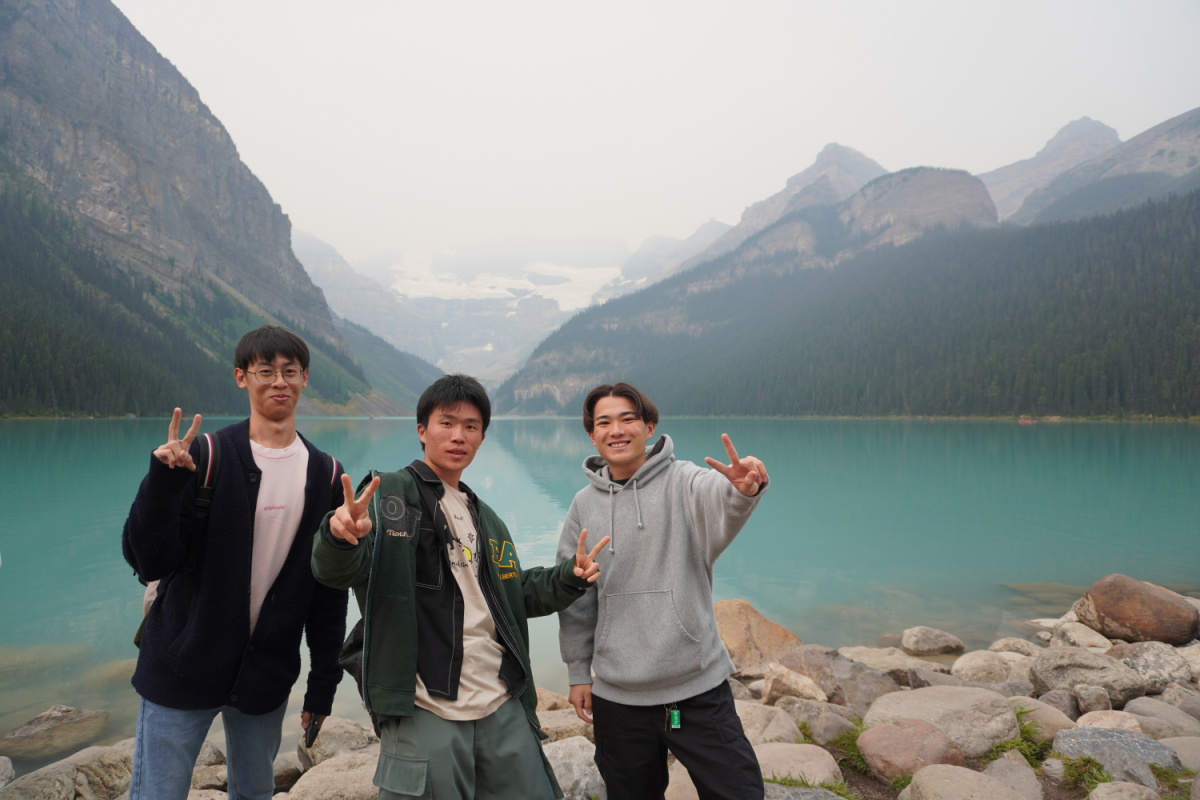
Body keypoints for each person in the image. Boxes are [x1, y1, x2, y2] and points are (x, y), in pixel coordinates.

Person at [311, 374, 610, 800]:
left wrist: (570, 577)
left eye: (471, 427)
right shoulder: (390, 495)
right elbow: (335, 571)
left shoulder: (484, 516)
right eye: (446, 423)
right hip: (425, 706)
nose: (458, 436)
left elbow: (513, 596)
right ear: (421, 430)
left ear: (483, 437)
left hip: (500, 699)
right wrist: (339, 535)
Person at [122, 325, 348, 800]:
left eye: (290, 371)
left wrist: (322, 684)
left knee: (254, 794)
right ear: (241, 377)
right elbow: (148, 561)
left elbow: (327, 592)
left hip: (263, 680)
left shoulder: (325, 474)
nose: (279, 382)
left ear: (305, 378)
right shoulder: (204, 455)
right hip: (181, 668)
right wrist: (162, 483)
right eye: (265, 371)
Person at [556, 382, 770, 800]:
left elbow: (719, 495)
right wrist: (579, 671)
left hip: (693, 689)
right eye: (604, 422)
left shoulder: (685, 482)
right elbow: (577, 597)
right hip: (618, 697)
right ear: (592, 435)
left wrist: (742, 490)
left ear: (649, 426)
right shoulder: (584, 504)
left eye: (628, 418)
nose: (616, 429)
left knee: (739, 791)